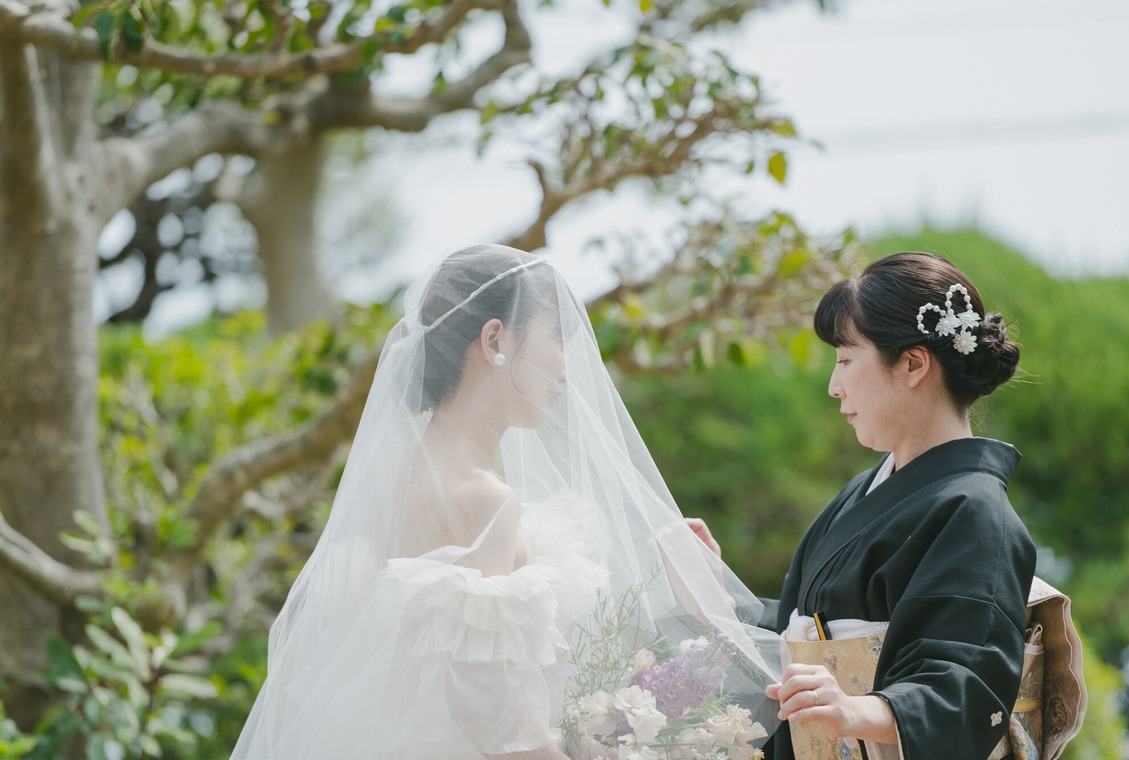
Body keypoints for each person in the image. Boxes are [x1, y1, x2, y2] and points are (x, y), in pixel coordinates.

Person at [230, 245, 783, 760]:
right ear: (494, 341)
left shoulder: (402, 477)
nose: (568, 368)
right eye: (555, 337)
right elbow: (502, 730)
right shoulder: (483, 501)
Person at [750, 251, 1037, 759]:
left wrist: (855, 710)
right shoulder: (859, 493)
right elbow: (796, 627)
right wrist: (717, 590)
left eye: (844, 360)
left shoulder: (976, 512)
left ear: (912, 363)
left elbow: (965, 682)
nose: (833, 386)